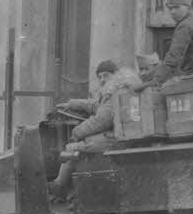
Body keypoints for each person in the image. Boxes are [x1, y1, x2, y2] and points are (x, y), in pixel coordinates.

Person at [48, 59, 137, 200]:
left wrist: (76, 132)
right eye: (99, 77)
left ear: (116, 74)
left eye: (106, 75)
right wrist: (72, 104)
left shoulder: (117, 92)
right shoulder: (116, 89)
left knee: (72, 148)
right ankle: (68, 191)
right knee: (80, 145)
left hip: (118, 137)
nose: (102, 80)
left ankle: (61, 187)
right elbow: (96, 105)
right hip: (120, 134)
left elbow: (101, 121)